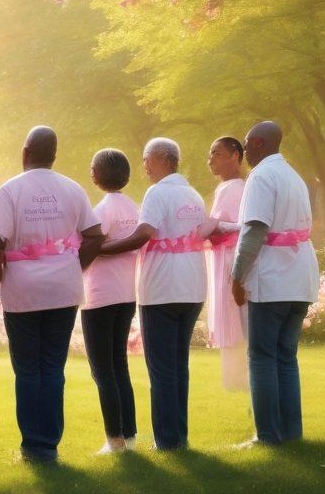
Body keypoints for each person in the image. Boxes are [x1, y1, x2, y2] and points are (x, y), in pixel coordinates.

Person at [0, 126, 105, 463]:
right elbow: (95, 236)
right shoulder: (72, 188)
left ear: (25, 152)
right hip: (63, 289)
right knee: (53, 366)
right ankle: (48, 444)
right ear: (54, 155)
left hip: (22, 288)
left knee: (27, 369)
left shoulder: (10, 190)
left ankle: (32, 445)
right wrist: (72, 265)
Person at [97, 137, 215, 451]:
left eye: (147, 160)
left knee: (162, 367)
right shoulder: (192, 194)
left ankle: (167, 441)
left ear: (161, 158)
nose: (145, 167)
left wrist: (102, 250)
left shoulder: (158, 192)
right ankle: (179, 435)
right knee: (178, 365)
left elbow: (143, 234)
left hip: (163, 288)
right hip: (192, 286)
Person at [231, 121, 320, 446]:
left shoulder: (261, 177)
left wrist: (237, 275)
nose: (243, 150)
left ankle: (268, 435)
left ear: (257, 143)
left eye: (245, 143)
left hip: (273, 278)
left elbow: (254, 230)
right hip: (300, 275)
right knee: (286, 357)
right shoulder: (293, 176)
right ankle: (291, 433)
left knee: (262, 356)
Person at [80, 148, 140, 454]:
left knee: (102, 370)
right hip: (126, 294)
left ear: (98, 175)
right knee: (119, 366)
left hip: (100, 296)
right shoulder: (134, 207)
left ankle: (114, 439)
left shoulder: (102, 210)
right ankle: (128, 435)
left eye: (93, 168)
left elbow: (91, 248)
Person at [205, 136, 249, 391]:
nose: (211, 160)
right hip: (224, 256)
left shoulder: (235, 187)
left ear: (235, 155)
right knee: (229, 315)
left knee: (231, 316)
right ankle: (233, 380)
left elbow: (240, 227)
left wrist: (210, 225)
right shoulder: (227, 188)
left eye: (217, 154)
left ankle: (236, 381)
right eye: (210, 154)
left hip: (230, 258)